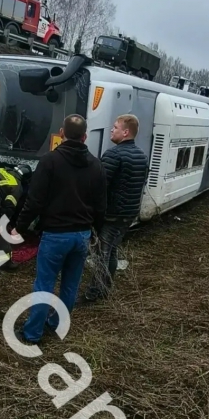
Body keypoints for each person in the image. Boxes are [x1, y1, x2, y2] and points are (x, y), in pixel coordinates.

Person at [14, 114, 107, 344]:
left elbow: (34, 201)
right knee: (70, 285)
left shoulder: (50, 161)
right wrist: (96, 232)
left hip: (55, 235)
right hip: (82, 235)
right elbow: (101, 205)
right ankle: (56, 323)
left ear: (62, 133)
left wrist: (20, 227)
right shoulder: (96, 165)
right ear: (85, 136)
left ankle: (32, 333)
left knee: (44, 285)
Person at [85, 114, 147, 301]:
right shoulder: (142, 156)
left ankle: (95, 292)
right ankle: (105, 288)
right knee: (111, 249)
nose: (111, 130)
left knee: (102, 253)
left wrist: (93, 212)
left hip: (112, 213)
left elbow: (100, 186)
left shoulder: (113, 154)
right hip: (129, 213)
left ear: (125, 132)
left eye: (115, 127)